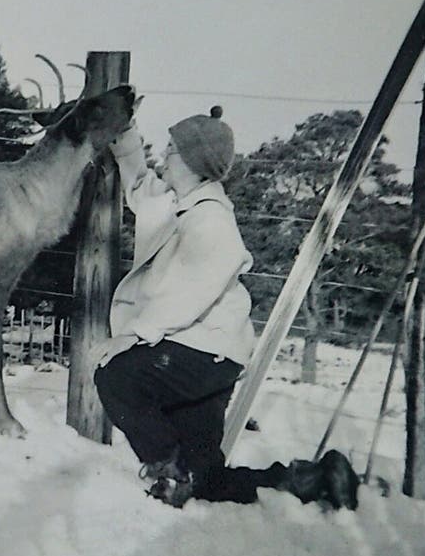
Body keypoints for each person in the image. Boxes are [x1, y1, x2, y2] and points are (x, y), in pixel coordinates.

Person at [91, 103, 358, 510]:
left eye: (172, 150)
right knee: (207, 478)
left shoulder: (211, 219)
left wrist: (132, 335)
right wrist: (126, 134)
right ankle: (313, 480)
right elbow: (140, 185)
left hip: (202, 351)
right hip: (206, 355)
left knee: (116, 375)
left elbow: (192, 290)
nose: (164, 155)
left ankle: (168, 469)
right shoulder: (176, 203)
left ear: (197, 163)